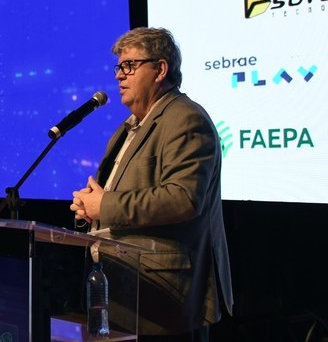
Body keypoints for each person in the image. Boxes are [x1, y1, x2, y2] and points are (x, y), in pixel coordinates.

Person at [70, 27, 233, 341]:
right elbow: (119, 198)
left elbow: (184, 198)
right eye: (119, 67)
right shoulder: (127, 128)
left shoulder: (186, 119)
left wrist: (105, 204)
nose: (120, 75)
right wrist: (91, 210)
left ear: (160, 69)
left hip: (165, 299)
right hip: (122, 291)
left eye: (130, 66)